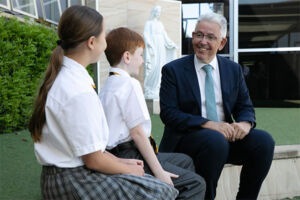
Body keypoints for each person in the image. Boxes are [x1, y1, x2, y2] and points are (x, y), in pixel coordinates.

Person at [28, 6, 178, 200]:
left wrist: (125, 163)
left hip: (65, 175)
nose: (106, 44)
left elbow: (92, 152)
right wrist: (130, 170)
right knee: (163, 192)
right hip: (74, 180)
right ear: (91, 42)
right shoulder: (77, 89)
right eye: (103, 37)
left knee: (155, 183)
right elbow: (93, 159)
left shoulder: (71, 78)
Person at [159, 12, 275, 200]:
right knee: (215, 140)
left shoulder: (233, 69)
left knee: (264, 141)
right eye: (199, 35)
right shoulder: (173, 70)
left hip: (223, 139)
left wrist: (245, 124)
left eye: (211, 37)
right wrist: (209, 125)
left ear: (222, 43)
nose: (202, 41)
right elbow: (169, 114)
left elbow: (245, 106)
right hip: (187, 140)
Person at [99, 27, 206, 200]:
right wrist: (159, 173)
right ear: (127, 57)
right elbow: (138, 133)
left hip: (116, 152)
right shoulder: (129, 84)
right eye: (140, 55)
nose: (142, 61)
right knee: (196, 184)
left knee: (185, 161)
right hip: (128, 155)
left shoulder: (108, 85)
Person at [143, 5, 177, 99]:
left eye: (159, 12)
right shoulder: (148, 23)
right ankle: (150, 88)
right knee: (154, 66)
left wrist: (171, 43)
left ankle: (157, 88)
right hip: (153, 45)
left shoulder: (160, 24)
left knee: (160, 65)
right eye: (157, 12)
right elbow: (145, 34)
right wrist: (149, 43)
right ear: (153, 12)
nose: (158, 14)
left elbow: (164, 35)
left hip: (160, 45)